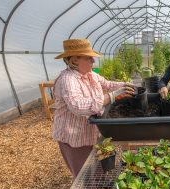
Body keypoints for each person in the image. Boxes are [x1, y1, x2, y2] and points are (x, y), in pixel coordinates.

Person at [52, 38, 135, 179]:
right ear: (74, 60)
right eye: (89, 58)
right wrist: (112, 96)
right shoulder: (68, 79)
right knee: (83, 174)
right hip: (74, 137)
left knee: (96, 164)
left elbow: (108, 84)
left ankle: (98, 185)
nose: (93, 61)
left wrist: (125, 85)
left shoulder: (90, 75)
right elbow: (77, 106)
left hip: (91, 132)